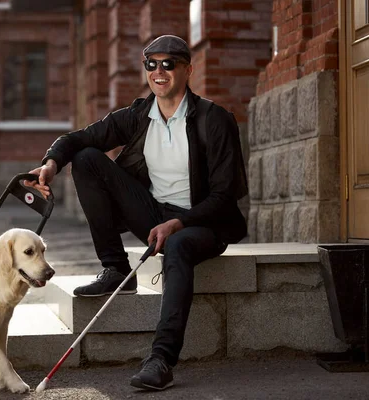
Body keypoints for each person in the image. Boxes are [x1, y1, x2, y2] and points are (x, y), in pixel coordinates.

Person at [25, 35, 248, 391]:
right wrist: (50, 164)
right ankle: (116, 268)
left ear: (188, 69)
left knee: (178, 247)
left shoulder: (214, 120)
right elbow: (79, 139)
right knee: (86, 159)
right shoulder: (138, 115)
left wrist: (180, 222)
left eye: (169, 63)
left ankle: (161, 359)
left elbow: (225, 195)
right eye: (151, 64)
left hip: (203, 223)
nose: (159, 71)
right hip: (155, 213)